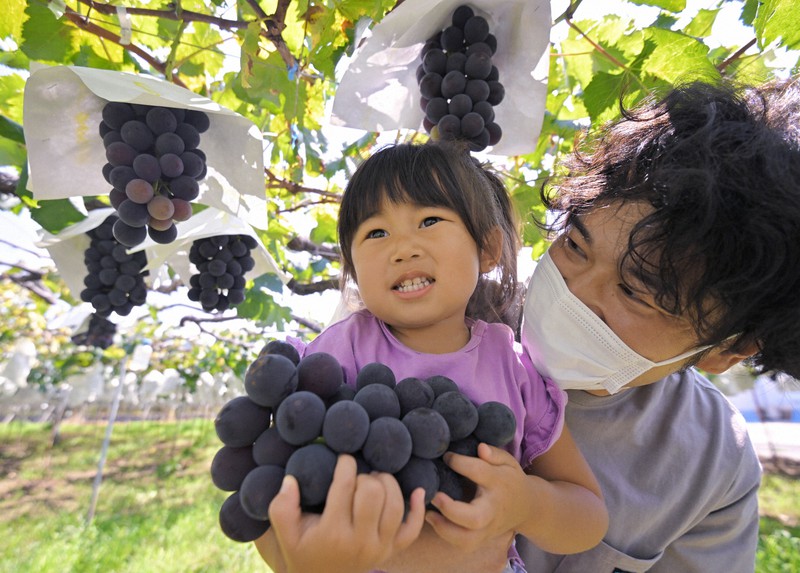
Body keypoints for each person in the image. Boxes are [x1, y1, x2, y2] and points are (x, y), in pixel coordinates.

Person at [255, 141, 608, 573]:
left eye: (429, 221)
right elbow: (263, 492)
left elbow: (589, 516)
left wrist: (527, 504)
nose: (403, 248)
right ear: (353, 267)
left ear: (487, 249)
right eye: (376, 233)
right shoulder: (336, 355)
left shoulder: (513, 368)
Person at [517, 77, 800, 572]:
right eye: (576, 246)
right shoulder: (442, 323)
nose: (574, 294)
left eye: (634, 292)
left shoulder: (713, 464)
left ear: (726, 351)